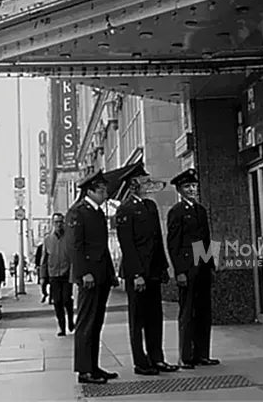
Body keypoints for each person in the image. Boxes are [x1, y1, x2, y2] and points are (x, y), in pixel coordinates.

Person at [115, 163, 179, 376]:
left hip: (153, 270)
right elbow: (128, 245)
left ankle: (156, 357)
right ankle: (140, 361)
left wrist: (163, 267)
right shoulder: (125, 209)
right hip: (138, 273)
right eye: (144, 181)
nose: (149, 184)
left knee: (155, 317)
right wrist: (136, 275)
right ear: (134, 184)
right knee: (138, 319)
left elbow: (157, 239)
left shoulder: (150, 206)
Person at [66, 170, 119, 385]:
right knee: (86, 323)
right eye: (102, 190)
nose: (105, 194)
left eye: (105, 190)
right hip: (89, 275)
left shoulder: (96, 212)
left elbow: (102, 247)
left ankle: (93, 366)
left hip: (101, 275)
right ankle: (84, 370)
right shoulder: (78, 212)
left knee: (96, 322)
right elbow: (75, 246)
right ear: (90, 191)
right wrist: (83, 272)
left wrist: (111, 274)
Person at [166, 168, 219, 368]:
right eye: (187, 187)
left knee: (204, 311)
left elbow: (205, 239)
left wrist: (211, 264)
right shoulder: (176, 212)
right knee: (187, 312)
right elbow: (173, 243)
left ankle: (202, 354)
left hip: (202, 264)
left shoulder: (200, 210)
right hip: (187, 266)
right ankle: (186, 356)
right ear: (180, 190)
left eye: (194, 186)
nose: (192, 190)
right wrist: (179, 271)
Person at [41, 212, 74, 336]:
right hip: (53, 274)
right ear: (53, 223)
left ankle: (70, 319)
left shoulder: (69, 237)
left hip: (66, 274)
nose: (59, 224)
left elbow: (73, 256)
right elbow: (44, 260)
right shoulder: (48, 239)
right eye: (56, 222)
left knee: (66, 299)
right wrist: (43, 277)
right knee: (57, 301)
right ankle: (61, 326)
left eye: (61, 221)